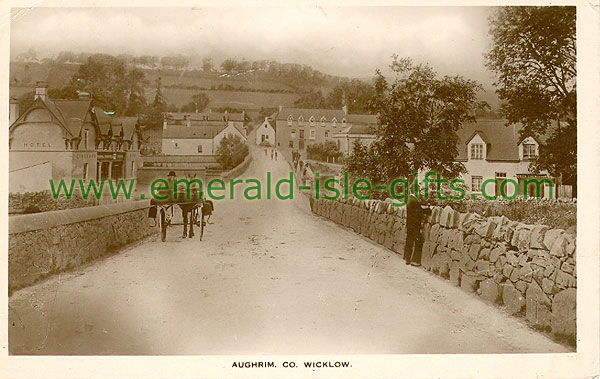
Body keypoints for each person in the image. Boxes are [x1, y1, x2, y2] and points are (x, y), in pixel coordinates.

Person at [403, 191, 431, 266]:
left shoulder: (410, 199)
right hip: (414, 225)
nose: (419, 194)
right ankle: (415, 261)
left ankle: (407, 258)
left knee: (409, 240)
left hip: (410, 225)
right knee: (418, 241)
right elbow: (419, 211)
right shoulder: (413, 201)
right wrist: (428, 210)